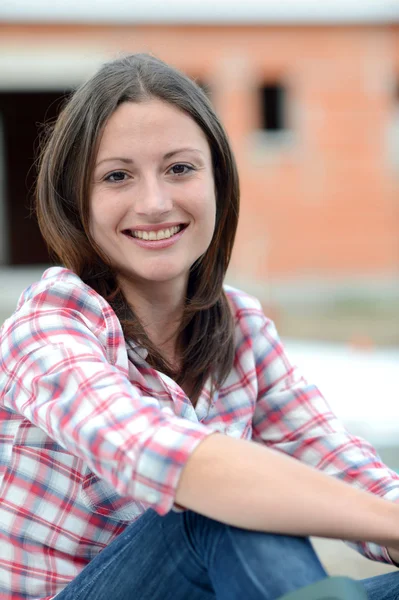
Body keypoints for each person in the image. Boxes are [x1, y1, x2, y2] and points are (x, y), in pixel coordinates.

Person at [0, 53, 398, 600]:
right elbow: (166, 459)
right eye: (117, 176)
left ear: (218, 181)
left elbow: (337, 464)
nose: (156, 203)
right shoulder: (49, 326)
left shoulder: (242, 328)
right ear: (77, 200)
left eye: (180, 168)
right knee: (213, 502)